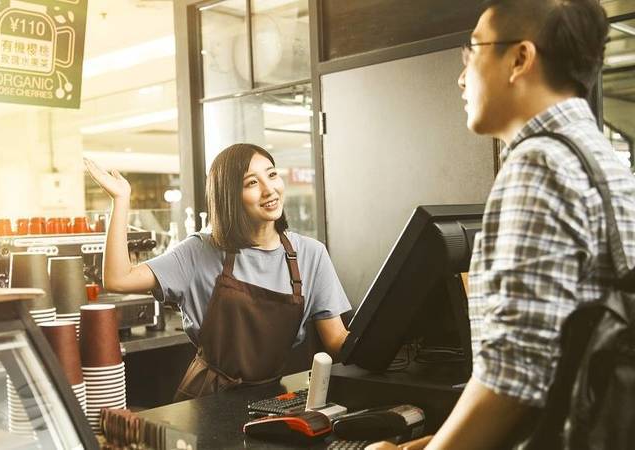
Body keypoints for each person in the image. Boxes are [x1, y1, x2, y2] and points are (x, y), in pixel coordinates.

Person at [370, 0, 635, 449]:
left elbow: (513, 383)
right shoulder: (601, 159)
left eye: (472, 50)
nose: (461, 75)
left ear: (519, 58)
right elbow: (558, 370)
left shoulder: (539, 164)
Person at [84, 143, 351, 401]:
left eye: (271, 175)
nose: (270, 190)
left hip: (274, 397)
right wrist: (120, 200)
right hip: (208, 401)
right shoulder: (199, 251)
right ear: (229, 196)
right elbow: (118, 279)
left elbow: (336, 339)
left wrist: (385, 342)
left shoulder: (311, 255)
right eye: (252, 183)